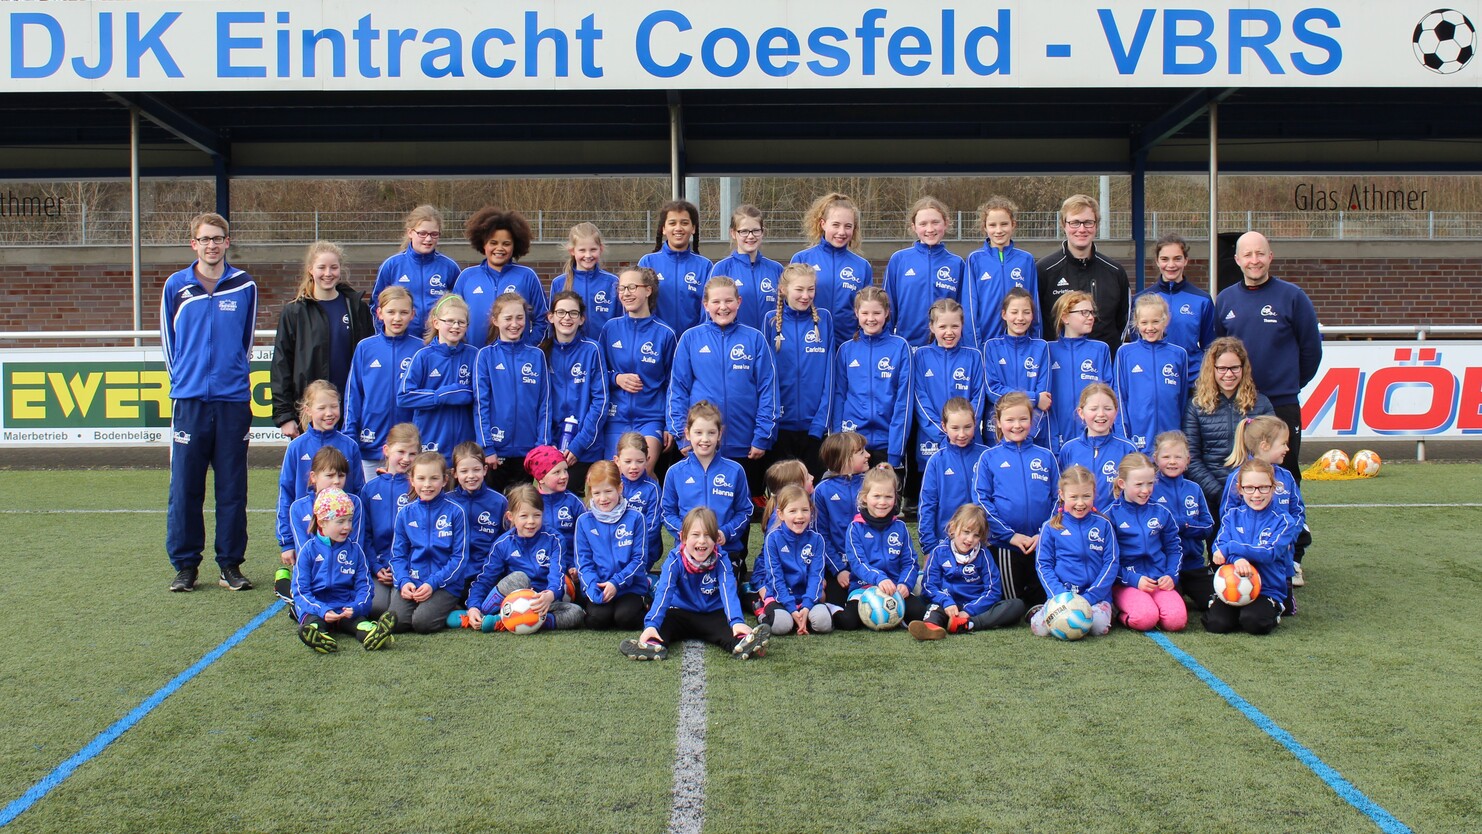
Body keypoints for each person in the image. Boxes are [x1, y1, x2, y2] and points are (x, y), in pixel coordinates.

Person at [162, 212, 257, 593]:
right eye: (205, 239)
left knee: (232, 487)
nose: (212, 245)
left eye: (218, 238)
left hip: (233, 401)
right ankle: (186, 565)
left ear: (227, 242)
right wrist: (185, 380)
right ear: (194, 244)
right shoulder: (176, 286)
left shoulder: (244, 285)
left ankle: (230, 565)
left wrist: (232, 374)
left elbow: (246, 341)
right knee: (185, 486)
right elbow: (169, 343)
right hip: (189, 401)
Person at [1214, 231, 1322, 487]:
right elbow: (1218, 350)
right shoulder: (1225, 299)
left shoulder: (1293, 297)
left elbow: (1311, 351)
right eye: (1248, 254)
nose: (1255, 260)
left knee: (1285, 471)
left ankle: (1293, 525)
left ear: (1270, 257)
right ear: (1237, 259)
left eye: (1260, 253)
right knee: (1242, 473)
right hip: (1238, 402)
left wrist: (1289, 383)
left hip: (1281, 403)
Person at [668, 276, 777, 524]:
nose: (723, 307)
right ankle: (692, 559)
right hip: (701, 442)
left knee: (739, 506)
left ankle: (737, 559)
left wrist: (762, 435)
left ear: (739, 302)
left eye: (729, 300)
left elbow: (767, 389)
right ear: (706, 304)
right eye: (716, 301)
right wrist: (681, 435)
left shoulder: (755, 339)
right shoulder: (690, 339)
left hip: (745, 444)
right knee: (699, 506)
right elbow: (678, 389)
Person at [620, 507, 771, 662]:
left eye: (708, 535)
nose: (702, 541)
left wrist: (737, 622)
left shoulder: (722, 559)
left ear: (716, 539)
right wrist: (651, 624)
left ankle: (743, 642)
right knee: (664, 622)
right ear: (683, 537)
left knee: (730, 628)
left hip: (713, 614)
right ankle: (652, 645)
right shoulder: (674, 560)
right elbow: (664, 593)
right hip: (681, 612)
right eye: (695, 535)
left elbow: (729, 592)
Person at [271, 240, 374, 438]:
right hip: (311, 413)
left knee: (346, 467)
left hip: (349, 411)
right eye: (322, 267)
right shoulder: (294, 311)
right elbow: (281, 365)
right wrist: (284, 416)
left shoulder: (357, 308)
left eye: (334, 267)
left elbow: (369, 361)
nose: (328, 273)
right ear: (310, 270)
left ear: (340, 269)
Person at [972, 392, 1059, 609]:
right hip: (1006, 545)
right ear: (999, 423)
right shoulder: (989, 458)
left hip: (1042, 544)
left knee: (1044, 601)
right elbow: (982, 501)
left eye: (1023, 419)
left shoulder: (1046, 456)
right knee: (1015, 603)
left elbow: (1059, 499)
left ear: (1032, 420)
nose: (1017, 425)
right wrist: (1010, 536)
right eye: (1010, 420)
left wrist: (1044, 533)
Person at [462, 484, 586, 633]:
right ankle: (481, 615)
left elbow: (557, 575)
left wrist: (550, 594)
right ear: (511, 516)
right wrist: (473, 607)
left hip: (540, 602)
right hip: (512, 601)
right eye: (524, 516)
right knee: (520, 578)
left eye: (537, 515)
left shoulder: (555, 539)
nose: (531, 521)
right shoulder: (503, 544)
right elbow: (484, 579)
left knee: (576, 612)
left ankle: (505, 622)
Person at [813, 287, 912, 469]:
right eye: (865, 313)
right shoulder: (846, 350)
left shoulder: (900, 347)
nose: (871, 318)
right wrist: (839, 443)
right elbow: (838, 397)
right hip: (852, 445)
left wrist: (895, 452)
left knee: (883, 497)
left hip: (887, 444)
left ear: (887, 313)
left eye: (877, 313)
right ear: (856, 313)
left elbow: (903, 403)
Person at [292, 488, 397, 653]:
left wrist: (356, 607)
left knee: (359, 623)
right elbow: (300, 590)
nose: (347, 527)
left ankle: (373, 634)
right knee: (314, 623)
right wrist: (322, 610)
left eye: (349, 520)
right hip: (317, 608)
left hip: (345, 607)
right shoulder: (308, 551)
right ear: (322, 522)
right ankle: (318, 636)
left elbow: (365, 587)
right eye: (340, 521)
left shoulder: (355, 551)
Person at [661, 402, 753, 587]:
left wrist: (725, 532)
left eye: (711, 432)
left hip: (725, 551)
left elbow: (745, 511)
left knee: (720, 602)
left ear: (720, 434)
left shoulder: (735, 471)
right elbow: (666, 513)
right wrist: (687, 534)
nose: (705, 439)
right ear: (687, 433)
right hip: (686, 551)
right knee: (683, 601)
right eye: (698, 432)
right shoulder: (675, 472)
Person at [1183, 337, 1274, 520]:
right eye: (1222, 368)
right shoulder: (1196, 406)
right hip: (1213, 497)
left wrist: (1249, 489)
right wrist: (1219, 493)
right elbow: (1192, 458)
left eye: (1234, 368)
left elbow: (1270, 452)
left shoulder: (1261, 404)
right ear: (1212, 369)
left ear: (1243, 368)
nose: (1228, 374)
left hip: (1252, 496)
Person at [275, 383, 364, 566]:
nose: (329, 413)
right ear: (308, 410)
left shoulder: (349, 446)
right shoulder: (296, 447)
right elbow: (286, 494)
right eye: (322, 408)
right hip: (307, 530)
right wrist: (287, 542)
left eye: (334, 406)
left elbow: (358, 491)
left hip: (343, 534)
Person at [1205, 459, 1297, 635]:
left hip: (1267, 589)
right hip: (1233, 584)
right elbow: (1219, 547)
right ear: (1240, 489)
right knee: (1216, 624)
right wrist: (1237, 559)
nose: (1256, 494)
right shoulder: (1232, 516)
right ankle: (1229, 608)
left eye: (1263, 487)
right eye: (1250, 488)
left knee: (1254, 623)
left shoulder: (1284, 521)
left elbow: (1270, 552)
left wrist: (1233, 547)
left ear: (1273, 487)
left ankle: (1275, 608)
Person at [600, 266, 678, 471]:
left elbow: (673, 383)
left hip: (650, 418)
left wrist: (669, 424)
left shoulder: (665, 333)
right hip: (615, 418)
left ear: (648, 290)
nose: (626, 293)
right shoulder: (610, 328)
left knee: (642, 471)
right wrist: (616, 378)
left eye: (633, 287)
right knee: (614, 476)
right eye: (622, 288)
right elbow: (597, 373)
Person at [1219, 415, 1307, 594]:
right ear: (1265, 445)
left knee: (1282, 599)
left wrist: (1289, 537)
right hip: (1244, 557)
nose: (1287, 448)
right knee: (1244, 593)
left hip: (1279, 552)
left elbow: (1298, 511)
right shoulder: (1238, 477)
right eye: (1283, 443)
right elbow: (1228, 515)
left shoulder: (1286, 477)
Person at [911, 504, 1026, 639]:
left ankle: (968, 624)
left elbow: (993, 590)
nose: (970, 539)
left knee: (1016, 606)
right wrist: (946, 601)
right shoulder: (939, 552)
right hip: (946, 606)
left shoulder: (984, 555)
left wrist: (968, 611)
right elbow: (928, 586)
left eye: (976, 535)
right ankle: (931, 628)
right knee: (932, 608)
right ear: (953, 528)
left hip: (975, 609)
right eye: (966, 532)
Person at [474, 292, 551, 491]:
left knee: (523, 508)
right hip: (496, 451)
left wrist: (541, 446)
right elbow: (481, 404)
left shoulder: (536, 355)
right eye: (508, 318)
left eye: (520, 318)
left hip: (528, 451)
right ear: (495, 320)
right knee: (495, 509)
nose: (514, 324)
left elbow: (545, 403)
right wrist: (487, 447)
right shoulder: (485, 356)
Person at [1037, 194, 1130, 358]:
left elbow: (1122, 323)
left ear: (1096, 225)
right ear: (1063, 225)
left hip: (1103, 369)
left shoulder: (1115, 272)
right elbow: (1037, 322)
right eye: (1074, 222)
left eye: (1088, 222)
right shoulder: (1043, 271)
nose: (1081, 229)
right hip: (1058, 367)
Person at [1029, 465, 1117, 638]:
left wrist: (1092, 596)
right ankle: (1041, 609)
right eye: (1073, 497)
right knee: (1039, 628)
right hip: (1062, 595)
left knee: (1098, 627)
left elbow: (1111, 562)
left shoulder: (1104, 525)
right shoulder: (1051, 527)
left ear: (1094, 493)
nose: (1080, 503)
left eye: (1086, 496)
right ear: (1062, 495)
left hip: (1095, 597)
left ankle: (1109, 610)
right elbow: (1043, 565)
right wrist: (1060, 595)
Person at [763, 263, 834, 477]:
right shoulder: (770, 321)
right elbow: (766, 377)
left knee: (812, 492)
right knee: (785, 495)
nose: (805, 295)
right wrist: (772, 422)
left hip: (815, 428)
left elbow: (830, 376)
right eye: (799, 289)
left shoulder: (824, 320)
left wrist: (821, 421)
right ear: (783, 290)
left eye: (810, 289)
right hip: (781, 428)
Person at [834, 468, 927, 629]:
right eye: (876, 496)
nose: (882, 502)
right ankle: (831, 609)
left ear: (895, 499)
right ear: (864, 497)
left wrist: (905, 584)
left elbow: (910, 562)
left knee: (919, 612)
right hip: (864, 587)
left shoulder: (900, 527)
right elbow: (858, 563)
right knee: (848, 621)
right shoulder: (855, 528)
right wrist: (880, 579)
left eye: (888, 497)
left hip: (894, 588)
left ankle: (902, 615)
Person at [275, 446, 365, 612]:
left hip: (343, 572)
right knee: (299, 599)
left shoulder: (354, 503)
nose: (337, 481)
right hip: (313, 573)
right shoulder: (298, 507)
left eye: (341, 475)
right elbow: (303, 550)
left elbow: (356, 544)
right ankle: (282, 582)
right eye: (330, 476)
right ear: (313, 477)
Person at [343, 286, 419, 482]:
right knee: (372, 502)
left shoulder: (421, 349)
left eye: (403, 312)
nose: (397, 318)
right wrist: (350, 436)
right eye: (391, 312)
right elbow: (354, 395)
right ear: (379, 313)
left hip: (409, 450)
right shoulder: (365, 348)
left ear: (413, 314)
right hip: (371, 445)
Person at [388, 451, 468, 633]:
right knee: (397, 622)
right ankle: (425, 608)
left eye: (434, 479)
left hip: (444, 584)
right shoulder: (405, 513)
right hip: (414, 581)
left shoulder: (456, 512)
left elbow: (460, 558)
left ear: (445, 480)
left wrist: (433, 583)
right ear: (412, 480)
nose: (427, 485)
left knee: (422, 624)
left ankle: (450, 609)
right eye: (421, 478)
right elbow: (397, 556)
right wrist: (403, 581)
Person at [1107, 452, 1187, 632]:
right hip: (1127, 582)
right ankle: (1118, 612)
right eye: (1139, 484)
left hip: (1158, 580)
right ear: (1122, 483)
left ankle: (1153, 605)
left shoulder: (1162, 513)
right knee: (1145, 618)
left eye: (1150, 483)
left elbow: (1174, 549)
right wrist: (1133, 579)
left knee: (1176, 621)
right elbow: (1107, 560)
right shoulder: (1110, 516)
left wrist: (1170, 575)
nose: (1145, 490)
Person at [574, 462, 652, 631]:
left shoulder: (636, 518)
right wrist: (592, 586)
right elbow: (583, 562)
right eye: (597, 493)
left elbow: (639, 560)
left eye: (608, 491)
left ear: (620, 488)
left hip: (629, 586)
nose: (603, 498)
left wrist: (616, 583)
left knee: (626, 618)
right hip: (600, 585)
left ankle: (646, 601)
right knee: (597, 620)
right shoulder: (584, 522)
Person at [911, 299, 986, 474]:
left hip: (968, 439)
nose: (949, 332)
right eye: (943, 327)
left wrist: (964, 430)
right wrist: (943, 433)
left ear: (962, 325)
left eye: (955, 326)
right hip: (932, 442)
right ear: (932, 327)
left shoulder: (974, 356)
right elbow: (919, 400)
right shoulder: (920, 356)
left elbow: (979, 397)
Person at [456, 206, 547, 348]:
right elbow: (454, 317)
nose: (499, 248)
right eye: (493, 243)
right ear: (483, 244)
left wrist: (528, 348)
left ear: (515, 245)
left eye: (506, 244)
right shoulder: (467, 277)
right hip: (474, 358)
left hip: (516, 361)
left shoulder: (527, 276)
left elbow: (542, 320)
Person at [398, 294, 477, 456]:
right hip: (431, 440)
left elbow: (482, 394)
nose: (455, 326)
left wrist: (468, 394)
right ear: (436, 323)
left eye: (461, 322)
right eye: (449, 321)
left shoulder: (474, 355)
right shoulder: (424, 356)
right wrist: (439, 396)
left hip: (465, 445)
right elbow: (404, 397)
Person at [790, 192, 872, 346]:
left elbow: (867, 309)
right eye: (835, 225)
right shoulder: (802, 259)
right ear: (823, 224)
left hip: (848, 345)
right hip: (810, 344)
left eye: (848, 226)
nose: (842, 232)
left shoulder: (862, 266)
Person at [545, 290, 608, 487]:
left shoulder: (592, 350)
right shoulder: (541, 352)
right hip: (552, 448)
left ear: (581, 319)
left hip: (585, 448)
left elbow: (601, 401)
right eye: (561, 312)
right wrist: (548, 444)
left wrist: (579, 445)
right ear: (551, 317)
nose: (566, 318)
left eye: (573, 313)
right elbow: (537, 404)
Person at [752, 484, 833, 636]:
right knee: (781, 626)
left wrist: (807, 606)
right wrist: (791, 608)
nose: (800, 516)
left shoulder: (817, 540)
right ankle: (761, 611)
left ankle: (803, 616)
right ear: (781, 514)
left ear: (811, 512)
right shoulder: (773, 539)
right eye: (793, 511)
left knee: (823, 623)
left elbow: (816, 577)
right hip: (780, 598)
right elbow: (775, 578)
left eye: (805, 510)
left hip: (806, 597)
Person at [1131, 233, 1214, 379]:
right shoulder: (1141, 300)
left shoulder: (1202, 300)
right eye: (1164, 259)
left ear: (1186, 260)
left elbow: (1211, 347)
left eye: (1177, 259)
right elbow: (1137, 343)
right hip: (1154, 377)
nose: (1171, 265)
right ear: (1157, 261)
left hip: (1192, 379)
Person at [883, 196, 964, 346]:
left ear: (945, 223)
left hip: (944, 347)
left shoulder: (957, 263)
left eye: (935, 222)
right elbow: (888, 306)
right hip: (907, 346)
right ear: (913, 227)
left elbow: (963, 309)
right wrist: (888, 345)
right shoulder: (899, 260)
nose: (930, 229)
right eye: (923, 224)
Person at [1113, 294, 1189, 453]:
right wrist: (1124, 439)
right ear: (1136, 323)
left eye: (1155, 321)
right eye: (1144, 322)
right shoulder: (1125, 353)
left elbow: (1182, 401)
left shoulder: (1179, 354)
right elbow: (1120, 398)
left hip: (1170, 441)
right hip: (1137, 439)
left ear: (1166, 320)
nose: (1150, 328)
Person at [358, 423, 420, 617]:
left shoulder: (419, 487)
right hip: (381, 567)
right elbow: (365, 534)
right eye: (400, 451)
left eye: (412, 454)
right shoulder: (370, 489)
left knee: (398, 613)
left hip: (411, 567)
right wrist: (375, 567)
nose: (406, 459)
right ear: (386, 450)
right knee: (376, 608)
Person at [371, 205, 461, 339]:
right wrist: (385, 338)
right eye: (422, 233)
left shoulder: (449, 267)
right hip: (401, 341)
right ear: (410, 233)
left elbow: (459, 306)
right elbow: (376, 305)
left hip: (437, 343)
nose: (428, 239)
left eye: (434, 234)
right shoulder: (392, 265)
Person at [963, 196, 1039, 350]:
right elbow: (970, 307)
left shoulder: (1026, 259)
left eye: (1004, 224)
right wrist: (975, 348)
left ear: (1013, 225)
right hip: (986, 344)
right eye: (992, 225)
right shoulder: (975, 259)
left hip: (1020, 345)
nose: (998, 230)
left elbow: (1034, 303)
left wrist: (1035, 344)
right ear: (985, 227)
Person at [1149, 430, 1215, 607]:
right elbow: (1154, 528)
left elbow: (1208, 526)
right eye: (1166, 456)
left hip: (1194, 565)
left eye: (1178, 457)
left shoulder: (1194, 489)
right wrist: (1181, 522)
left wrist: (1184, 525)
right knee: (1171, 610)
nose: (1172, 461)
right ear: (1155, 458)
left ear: (1187, 460)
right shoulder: (1151, 489)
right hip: (1164, 568)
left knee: (1214, 604)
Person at [918, 398, 989, 557]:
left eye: (967, 427)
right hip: (945, 544)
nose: (962, 434)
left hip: (981, 542)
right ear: (944, 426)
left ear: (975, 424)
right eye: (955, 428)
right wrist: (929, 547)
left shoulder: (986, 456)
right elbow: (927, 506)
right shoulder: (936, 462)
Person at [1046, 290, 1112, 452]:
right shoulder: (1048, 350)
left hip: (1093, 437)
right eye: (1084, 312)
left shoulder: (1100, 349)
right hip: (1057, 435)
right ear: (1065, 317)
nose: (1090, 317)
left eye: (1091, 312)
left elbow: (1110, 392)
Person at [1056, 383, 1138, 512]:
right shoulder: (1069, 449)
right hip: (1081, 525)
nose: (1101, 414)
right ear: (1081, 413)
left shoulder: (1127, 449)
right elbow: (1061, 492)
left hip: (1118, 526)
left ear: (1116, 412)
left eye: (1107, 408)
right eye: (1093, 409)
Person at [983, 288, 1051, 442]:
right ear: (1004, 314)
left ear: (1033, 315)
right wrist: (1033, 397)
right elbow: (993, 391)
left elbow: (1044, 397)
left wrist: (1027, 433)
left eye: (1026, 312)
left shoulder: (1041, 347)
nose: (1020, 318)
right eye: (1014, 312)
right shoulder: (991, 347)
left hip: (1032, 433)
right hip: (998, 434)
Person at [812, 431, 871, 606]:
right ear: (845, 459)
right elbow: (820, 535)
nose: (868, 455)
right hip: (838, 567)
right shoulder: (822, 490)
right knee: (839, 607)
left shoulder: (871, 484)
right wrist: (838, 570)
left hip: (870, 566)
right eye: (861, 452)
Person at [446, 441, 509, 603]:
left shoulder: (499, 502)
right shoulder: (448, 502)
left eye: (476, 470)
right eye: (464, 471)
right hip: (455, 572)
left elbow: (506, 540)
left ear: (485, 469)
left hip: (488, 573)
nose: (471, 476)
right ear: (454, 473)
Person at [638, 199, 712, 335]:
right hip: (655, 343)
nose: (678, 228)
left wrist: (699, 337)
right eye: (672, 223)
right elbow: (639, 305)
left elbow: (708, 309)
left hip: (693, 341)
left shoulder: (705, 266)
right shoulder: (648, 262)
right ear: (664, 229)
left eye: (684, 223)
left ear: (693, 228)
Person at [712, 204, 785, 331]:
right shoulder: (721, 269)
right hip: (737, 347)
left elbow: (786, 311)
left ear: (762, 232)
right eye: (744, 231)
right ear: (733, 233)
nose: (750, 236)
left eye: (756, 230)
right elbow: (710, 314)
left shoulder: (776, 269)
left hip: (772, 345)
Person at [549, 222, 618, 341]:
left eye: (593, 250)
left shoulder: (612, 282)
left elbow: (620, 321)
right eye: (582, 250)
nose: (588, 255)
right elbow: (551, 325)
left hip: (605, 353)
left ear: (600, 249)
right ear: (572, 251)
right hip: (571, 354)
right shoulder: (559, 283)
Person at [528, 444, 585, 565]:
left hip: (568, 564)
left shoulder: (575, 503)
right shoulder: (530, 503)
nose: (564, 476)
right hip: (536, 564)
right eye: (557, 472)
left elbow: (584, 540)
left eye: (565, 470)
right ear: (541, 478)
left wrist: (575, 565)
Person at [614, 431, 664, 568]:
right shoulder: (613, 485)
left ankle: (644, 579)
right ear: (617, 461)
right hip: (616, 546)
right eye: (628, 461)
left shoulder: (652, 489)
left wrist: (630, 545)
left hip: (644, 549)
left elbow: (653, 527)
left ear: (647, 460)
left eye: (640, 461)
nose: (634, 466)